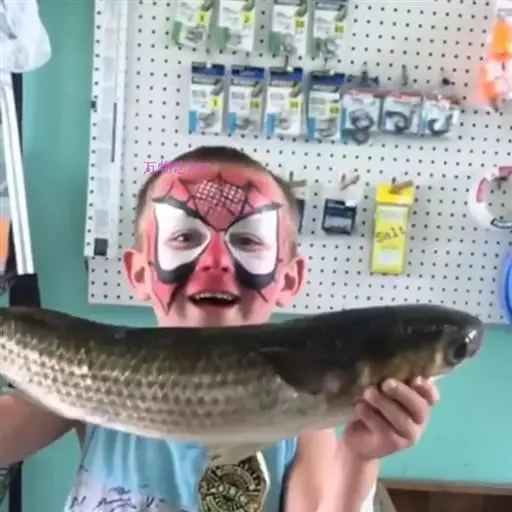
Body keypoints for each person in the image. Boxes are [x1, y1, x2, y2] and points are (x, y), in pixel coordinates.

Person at [0, 145, 440, 512]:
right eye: (184, 237)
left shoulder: (306, 421)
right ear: (138, 272)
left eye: (247, 240)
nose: (216, 261)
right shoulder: (87, 377)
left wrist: (361, 457)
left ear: (289, 279)